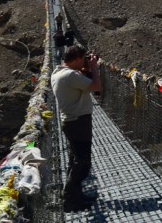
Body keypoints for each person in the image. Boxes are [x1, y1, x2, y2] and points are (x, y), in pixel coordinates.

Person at [51, 46, 101, 212]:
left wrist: (84, 69)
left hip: (71, 122)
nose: (85, 60)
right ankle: (69, 198)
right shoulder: (71, 75)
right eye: (83, 58)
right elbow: (96, 86)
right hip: (78, 122)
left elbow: (79, 83)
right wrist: (94, 68)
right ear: (77, 59)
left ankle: (76, 196)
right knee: (83, 163)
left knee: (75, 160)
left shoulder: (58, 72)